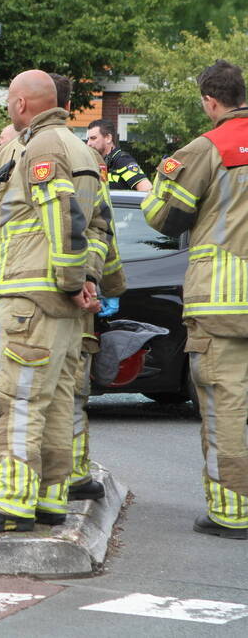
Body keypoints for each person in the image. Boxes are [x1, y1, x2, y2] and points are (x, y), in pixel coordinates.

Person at [0, 70, 102, 532]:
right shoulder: (80, 147)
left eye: (8, 99)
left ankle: (11, 501)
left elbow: (61, 216)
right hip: (61, 304)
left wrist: (68, 278)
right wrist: (88, 282)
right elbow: (99, 227)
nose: (7, 106)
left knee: (17, 402)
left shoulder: (39, 146)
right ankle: (49, 498)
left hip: (31, 296)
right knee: (57, 402)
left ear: (22, 104)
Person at [142, 59, 248, 539]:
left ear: (210, 101)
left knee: (225, 403)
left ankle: (233, 511)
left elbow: (166, 218)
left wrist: (152, 189)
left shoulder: (210, 148)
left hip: (224, 300)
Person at [86, 119, 151, 192]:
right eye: (88, 139)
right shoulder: (101, 162)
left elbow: (146, 189)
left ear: (108, 138)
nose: (88, 143)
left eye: (93, 138)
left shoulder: (122, 160)